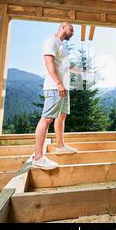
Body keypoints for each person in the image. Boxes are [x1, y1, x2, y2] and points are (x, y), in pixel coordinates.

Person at [32, 22, 80, 170]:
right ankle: (38, 157)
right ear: (63, 27)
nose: (72, 33)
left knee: (62, 116)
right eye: (71, 30)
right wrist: (59, 83)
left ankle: (60, 146)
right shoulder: (51, 41)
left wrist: (86, 73)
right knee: (47, 119)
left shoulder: (62, 45)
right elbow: (49, 63)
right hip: (55, 87)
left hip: (63, 88)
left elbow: (67, 67)